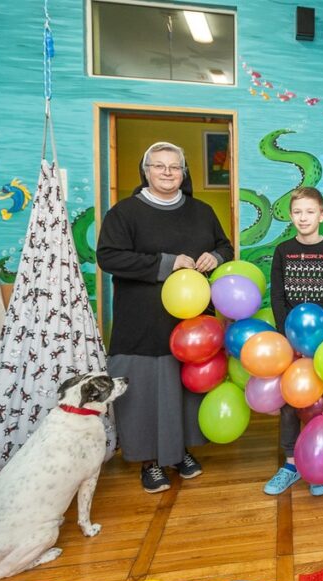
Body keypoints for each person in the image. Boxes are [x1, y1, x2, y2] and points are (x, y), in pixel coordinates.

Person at [97, 141, 233, 493]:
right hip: (143, 320)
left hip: (192, 326)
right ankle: (150, 460)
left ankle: (181, 450)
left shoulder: (202, 211)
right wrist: (166, 263)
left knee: (187, 387)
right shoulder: (124, 213)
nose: (168, 172)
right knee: (144, 390)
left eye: (174, 167)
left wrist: (215, 258)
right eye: (159, 166)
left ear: (183, 172)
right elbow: (109, 257)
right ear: (146, 171)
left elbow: (225, 246)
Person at [264, 187, 323, 497]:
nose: (303, 218)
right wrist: (289, 330)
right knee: (290, 400)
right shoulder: (283, 251)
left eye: (309, 212)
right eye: (297, 212)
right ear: (290, 215)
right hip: (291, 338)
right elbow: (277, 295)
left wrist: (321, 329)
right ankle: (290, 464)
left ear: (322, 215)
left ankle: (320, 462)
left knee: (322, 401)